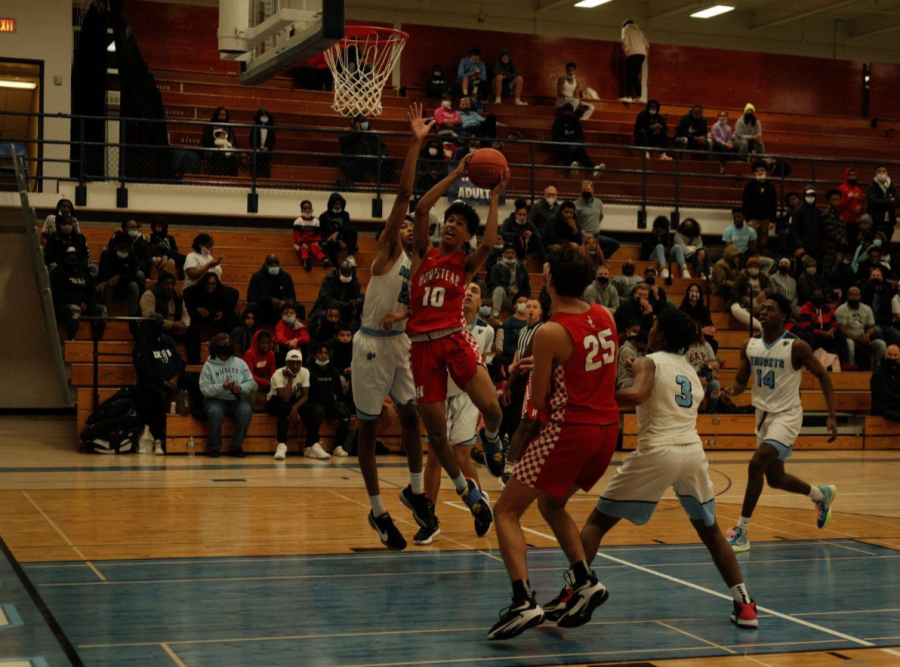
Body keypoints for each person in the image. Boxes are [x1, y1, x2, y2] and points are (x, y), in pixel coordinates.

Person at [557, 309, 758, 630]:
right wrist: (644, 372)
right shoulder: (689, 370)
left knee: (596, 523)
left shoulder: (649, 361)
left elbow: (636, 395)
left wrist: (594, 395)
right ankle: (745, 604)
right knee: (711, 533)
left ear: (660, 335)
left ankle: (571, 592)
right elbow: (700, 401)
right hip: (692, 453)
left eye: (653, 326)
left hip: (657, 451)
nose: (649, 330)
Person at [488, 247, 619, 640]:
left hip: (571, 429)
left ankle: (522, 599)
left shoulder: (549, 331)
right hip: (607, 429)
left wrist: (528, 371)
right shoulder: (607, 315)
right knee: (550, 503)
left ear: (549, 282)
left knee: (506, 512)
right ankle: (585, 580)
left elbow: (541, 400)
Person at [407, 151, 508, 533]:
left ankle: (493, 439)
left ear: (466, 235)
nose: (451, 224)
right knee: (436, 438)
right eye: (449, 219)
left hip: (453, 339)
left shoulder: (464, 264)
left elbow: (489, 243)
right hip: (422, 349)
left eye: (459, 223)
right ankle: (469, 494)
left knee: (494, 410)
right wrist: (457, 175)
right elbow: (420, 208)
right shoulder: (422, 254)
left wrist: (495, 196)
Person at [352, 104, 435, 549]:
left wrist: (406, 316)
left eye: (410, 225)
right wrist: (415, 144)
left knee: (410, 416)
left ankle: (417, 492)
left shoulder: (422, 262)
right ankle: (378, 510)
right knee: (368, 428)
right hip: (369, 346)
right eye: (400, 223)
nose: (406, 225)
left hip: (400, 343)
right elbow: (405, 196)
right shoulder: (386, 253)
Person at [725, 294, 838, 552]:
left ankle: (741, 531)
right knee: (775, 478)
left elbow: (823, 375)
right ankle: (821, 495)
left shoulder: (796, 346)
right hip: (763, 416)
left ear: (783, 316)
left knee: (756, 464)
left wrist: (832, 414)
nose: (763, 312)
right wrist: (731, 390)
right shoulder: (749, 345)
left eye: (770, 308)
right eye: (762, 307)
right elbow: (742, 381)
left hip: (787, 415)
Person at [418, 283, 496, 544]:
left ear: (481, 300)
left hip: (466, 396)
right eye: (464, 291)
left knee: (462, 457)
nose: (468, 294)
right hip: (439, 394)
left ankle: (480, 509)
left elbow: (482, 365)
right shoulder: (444, 323)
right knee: (434, 458)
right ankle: (429, 519)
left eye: (474, 290)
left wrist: (484, 404)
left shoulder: (487, 330)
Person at [132, 314, 187, 456]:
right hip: (152, 384)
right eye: (155, 324)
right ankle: (158, 439)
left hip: (172, 381)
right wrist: (164, 382)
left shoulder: (168, 340)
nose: (158, 326)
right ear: (148, 325)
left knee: (194, 380)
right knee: (156, 397)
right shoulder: (142, 342)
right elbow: (144, 369)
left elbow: (180, 361)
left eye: (160, 324)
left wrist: (175, 378)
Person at [199, 333, 255, 458]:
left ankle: (236, 447)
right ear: (215, 346)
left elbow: (250, 382)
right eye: (221, 344)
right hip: (215, 399)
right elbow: (204, 388)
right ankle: (214, 447)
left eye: (227, 344)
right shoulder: (208, 365)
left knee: (246, 411)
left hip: (236, 399)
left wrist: (240, 388)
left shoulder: (240, 363)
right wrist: (221, 387)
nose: (224, 346)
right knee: (215, 412)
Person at [302, 342, 352, 459]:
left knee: (345, 412)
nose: (323, 356)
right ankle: (312, 444)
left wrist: (336, 397)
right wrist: (326, 397)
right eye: (320, 353)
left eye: (326, 353)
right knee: (317, 412)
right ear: (315, 355)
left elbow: (339, 393)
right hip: (313, 403)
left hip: (329, 404)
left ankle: (338, 446)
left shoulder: (334, 371)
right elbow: (306, 395)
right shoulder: (308, 371)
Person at [140, 271, 200, 363]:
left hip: (174, 329)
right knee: (155, 329)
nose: (169, 287)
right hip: (156, 328)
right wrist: (172, 325)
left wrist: (184, 325)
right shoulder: (150, 294)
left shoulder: (178, 297)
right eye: (166, 284)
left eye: (172, 284)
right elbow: (149, 318)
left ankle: (194, 364)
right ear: (159, 285)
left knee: (194, 328)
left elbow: (185, 314)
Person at [50, 247, 106, 341]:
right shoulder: (58, 272)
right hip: (65, 306)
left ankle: (97, 342)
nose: (72, 258)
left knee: (102, 310)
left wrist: (88, 304)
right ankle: (70, 341)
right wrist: (78, 303)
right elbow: (59, 294)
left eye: (74, 256)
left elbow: (92, 291)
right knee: (75, 310)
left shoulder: (83, 272)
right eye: (70, 256)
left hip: (85, 305)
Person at [266, 350, 310, 460]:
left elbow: (305, 395)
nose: (295, 366)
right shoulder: (278, 374)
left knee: (311, 409)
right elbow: (284, 398)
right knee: (284, 409)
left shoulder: (305, 372)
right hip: (274, 400)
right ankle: (282, 444)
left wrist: (295, 407)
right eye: (292, 362)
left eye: (298, 363)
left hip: (292, 401)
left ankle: (312, 444)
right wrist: (291, 377)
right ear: (287, 363)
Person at [797, 289, 851, 366]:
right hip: (813, 336)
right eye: (815, 295)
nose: (817, 297)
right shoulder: (806, 307)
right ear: (811, 297)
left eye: (819, 295)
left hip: (827, 336)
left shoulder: (829, 309)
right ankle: (808, 364)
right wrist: (822, 333)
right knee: (808, 335)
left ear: (823, 297)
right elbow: (805, 327)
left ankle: (844, 363)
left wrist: (831, 331)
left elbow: (834, 324)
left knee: (840, 335)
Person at [836, 286, 886, 370]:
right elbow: (842, 330)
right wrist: (857, 339)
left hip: (864, 339)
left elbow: (872, 327)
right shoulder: (841, 310)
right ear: (847, 296)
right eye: (851, 295)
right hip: (848, 338)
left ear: (860, 296)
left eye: (856, 295)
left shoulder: (867, 308)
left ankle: (877, 371)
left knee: (881, 344)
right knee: (850, 343)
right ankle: (852, 369)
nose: (854, 297)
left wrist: (866, 336)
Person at [338, 115, 393, 186]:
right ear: (356, 123)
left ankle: (382, 185)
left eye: (365, 122)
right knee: (350, 167)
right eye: (362, 122)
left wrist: (383, 155)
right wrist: (358, 133)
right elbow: (343, 141)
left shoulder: (372, 133)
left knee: (390, 164)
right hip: (355, 161)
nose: (364, 124)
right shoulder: (349, 132)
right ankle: (365, 183)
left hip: (371, 160)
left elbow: (384, 147)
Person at [98, 232, 142, 316]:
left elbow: (133, 275)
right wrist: (112, 280)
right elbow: (102, 274)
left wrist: (119, 278)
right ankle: (104, 316)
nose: (124, 251)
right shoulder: (106, 254)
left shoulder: (132, 256)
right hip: (108, 282)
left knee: (134, 286)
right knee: (105, 286)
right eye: (121, 248)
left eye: (126, 248)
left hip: (125, 284)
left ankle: (133, 317)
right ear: (116, 247)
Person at [184, 271, 238, 338]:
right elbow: (185, 305)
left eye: (213, 284)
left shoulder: (220, 290)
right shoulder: (193, 290)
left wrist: (223, 312)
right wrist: (197, 308)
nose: (210, 286)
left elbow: (231, 303)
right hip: (200, 316)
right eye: (208, 283)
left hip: (216, 315)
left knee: (231, 314)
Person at [551, 105, 602, 175]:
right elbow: (555, 136)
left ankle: (593, 169)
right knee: (563, 150)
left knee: (581, 151)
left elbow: (581, 136)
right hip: (562, 146)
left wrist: (576, 144)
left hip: (574, 147)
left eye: (570, 112)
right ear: (563, 112)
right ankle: (571, 166)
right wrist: (568, 144)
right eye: (566, 112)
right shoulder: (558, 121)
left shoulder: (575, 121)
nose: (568, 114)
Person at [247, 255, 296, 325]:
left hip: (281, 309)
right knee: (252, 305)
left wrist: (286, 303)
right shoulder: (257, 276)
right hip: (263, 308)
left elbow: (292, 296)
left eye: (276, 264)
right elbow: (251, 297)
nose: (274, 266)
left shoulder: (286, 277)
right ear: (266, 265)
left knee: (299, 307)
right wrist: (270, 300)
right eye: (271, 264)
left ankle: (296, 330)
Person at [575, 181, 619, 259]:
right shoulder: (576, 204)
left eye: (588, 190)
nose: (586, 192)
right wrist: (584, 233)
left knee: (614, 244)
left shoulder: (598, 203)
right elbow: (574, 222)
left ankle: (599, 259)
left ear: (592, 190)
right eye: (584, 190)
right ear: (581, 191)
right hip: (583, 235)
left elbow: (600, 216)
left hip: (596, 235)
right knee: (583, 248)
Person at [742, 161, 778, 255]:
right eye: (757, 171)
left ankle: (762, 258)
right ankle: (753, 259)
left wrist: (772, 220)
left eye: (762, 170)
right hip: (753, 219)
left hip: (765, 219)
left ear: (766, 172)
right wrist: (748, 219)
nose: (760, 172)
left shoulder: (770, 187)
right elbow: (745, 203)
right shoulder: (749, 186)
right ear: (754, 173)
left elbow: (773, 205)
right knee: (753, 242)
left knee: (763, 243)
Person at [107, 218, 154, 288]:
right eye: (131, 227)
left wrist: (137, 266)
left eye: (136, 227)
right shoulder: (117, 239)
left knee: (140, 275)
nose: (134, 229)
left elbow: (146, 258)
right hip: (118, 267)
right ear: (125, 228)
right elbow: (110, 253)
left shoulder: (142, 241)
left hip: (136, 269)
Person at [311, 260, 362, 324]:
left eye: (348, 272)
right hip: (327, 308)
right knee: (324, 317)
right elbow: (325, 299)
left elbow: (358, 297)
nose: (346, 274)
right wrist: (345, 305)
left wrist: (357, 302)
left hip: (347, 312)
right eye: (344, 272)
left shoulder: (355, 283)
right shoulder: (329, 280)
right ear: (339, 271)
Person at [489, 242, 531, 319]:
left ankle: (527, 322)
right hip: (505, 298)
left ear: (515, 254)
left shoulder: (521, 267)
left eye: (512, 253)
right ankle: (495, 315)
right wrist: (510, 291)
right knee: (498, 289)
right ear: (503, 254)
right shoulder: (496, 267)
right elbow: (494, 285)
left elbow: (527, 288)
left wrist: (520, 295)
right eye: (507, 253)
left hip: (519, 299)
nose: (510, 255)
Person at [500, 200, 547, 265]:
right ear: (516, 215)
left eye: (524, 215)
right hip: (514, 245)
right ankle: (510, 262)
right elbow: (502, 232)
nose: (522, 217)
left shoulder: (528, 222)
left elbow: (538, 235)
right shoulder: (509, 220)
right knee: (509, 238)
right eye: (520, 214)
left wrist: (531, 234)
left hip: (526, 246)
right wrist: (517, 235)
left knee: (537, 241)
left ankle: (545, 263)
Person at [862, 268, 900, 346]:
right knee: (878, 331)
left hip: (882, 322)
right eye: (874, 275)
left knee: (897, 335)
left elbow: (888, 311)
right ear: (870, 278)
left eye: (878, 276)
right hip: (869, 323)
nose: (876, 277)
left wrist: (885, 321)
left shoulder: (886, 291)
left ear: (882, 278)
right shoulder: (863, 290)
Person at [319, 193, 358, 268]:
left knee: (353, 228)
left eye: (339, 204)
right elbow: (325, 232)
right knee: (331, 240)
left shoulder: (345, 214)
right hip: (330, 241)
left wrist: (337, 233)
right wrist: (339, 240)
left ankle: (350, 257)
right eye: (335, 204)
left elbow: (346, 227)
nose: (337, 206)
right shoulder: (324, 216)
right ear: (331, 204)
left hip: (343, 240)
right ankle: (335, 265)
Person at [729, 256, 768, 331]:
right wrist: (744, 300)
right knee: (735, 309)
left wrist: (764, 291)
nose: (753, 268)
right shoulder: (741, 277)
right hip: (744, 303)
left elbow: (770, 288)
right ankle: (760, 326)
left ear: (759, 268)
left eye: (755, 266)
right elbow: (734, 292)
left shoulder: (763, 277)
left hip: (759, 303)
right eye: (751, 266)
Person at [680, 283, 719, 353]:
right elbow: (683, 328)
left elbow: (709, 324)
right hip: (687, 338)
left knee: (714, 343)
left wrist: (712, 329)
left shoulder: (704, 309)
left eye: (697, 291)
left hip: (701, 338)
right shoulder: (682, 309)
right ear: (688, 293)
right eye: (691, 291)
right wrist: (701, 331)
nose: (694, 293)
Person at [293, 200, 329, 271]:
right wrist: (302, 243)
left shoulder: (316, 221)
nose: (307, 210)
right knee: (303, 251)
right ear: (301, 211)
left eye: (309, 208)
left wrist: (317, 242)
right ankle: (306, 262)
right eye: (305, 209)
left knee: (316, 249)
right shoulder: (298, 221)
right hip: (300, 243)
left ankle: (324, 260)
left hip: (312, 242)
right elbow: (296, 235)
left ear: (312, 209)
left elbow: (318, 234)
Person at [790, 186, 822, 264]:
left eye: (812, 195)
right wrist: (799, 246)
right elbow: (794, 229)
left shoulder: (817, 211)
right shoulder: (798, 210)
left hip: (814, 247)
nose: (810, 198)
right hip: (803, 247)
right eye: (808, 195)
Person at [202, 107, 238, 176]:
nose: (221, 117)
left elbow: (234, 142)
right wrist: (217, 146)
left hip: (227, 150)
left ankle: (231, 180)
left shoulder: (229, 126)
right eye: (219, 115)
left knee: (233, 157)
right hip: (214, 150)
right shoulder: (210, 126)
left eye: (223, 115)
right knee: (219, 155)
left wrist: (230, 147)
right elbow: (206, 141)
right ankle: (217, 179)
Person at [242, 330, 276, 406]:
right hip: (247, 380)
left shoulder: (271, 354)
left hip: (262, 381)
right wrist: (264, 383)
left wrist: (274, 383)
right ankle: (251, 411)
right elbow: (248, 375)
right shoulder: (249, 354)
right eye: (262, 343)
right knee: (253, 385)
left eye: (268, 343)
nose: (265, 346)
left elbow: (272, 373)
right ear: (256, 343)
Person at [866, 164, 900, 238]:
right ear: (876, 173)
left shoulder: (891, 186)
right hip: (876, 221)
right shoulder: (872, 186)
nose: (881, 173)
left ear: (887, 172)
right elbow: (873, 201)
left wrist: (883, 203)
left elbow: (898, 201)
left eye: (883, 171)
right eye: (879, 171)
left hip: (889, 221)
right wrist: (888, 201)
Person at [620, 20, 648, 102]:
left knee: (629, 75)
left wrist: (626, 50)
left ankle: (628, 96)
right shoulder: (640, 32)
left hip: (632, 54)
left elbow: (624, 40)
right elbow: (647, 45)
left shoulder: (625, 29)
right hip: (642, 54)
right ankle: (639, 96)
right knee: (635, 75)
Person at [871, 345, 900, 421]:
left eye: (895, 355)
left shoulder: (898, 370)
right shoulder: (879, 372)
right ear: (885, 355)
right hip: (883, 407)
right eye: (890, 354)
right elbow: (885, 394)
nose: (892, 357)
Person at [838, 167, 865, 243]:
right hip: (845, 221)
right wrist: (850, 198)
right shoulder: (841, 188)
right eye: (850, 175)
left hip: (856, 221)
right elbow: (839, 204)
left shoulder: (858, 190)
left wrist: (860, 207)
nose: (852, 177)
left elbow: (862, 203)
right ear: (846, 176)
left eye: (854, 175)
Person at [501, 295, 530, 362]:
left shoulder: (532, 322)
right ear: (515, 305)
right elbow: (505, 346)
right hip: (513, 359)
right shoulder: (509, 322)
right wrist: (519, 354)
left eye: (525, 302)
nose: (523, 304)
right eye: (520, 302)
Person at [248, 108, 276, 178]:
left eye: (265, 116)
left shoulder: (270, 128)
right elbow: (251, 139)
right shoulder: (255, 127)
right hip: (257, 152)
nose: (264, 117)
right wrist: (255, 148)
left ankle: (266, 181)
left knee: (266, 166)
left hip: (266, 152)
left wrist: (268, 148)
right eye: (262, 115)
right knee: (256, 166)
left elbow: (273, 140)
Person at [615, 323, 643, 389]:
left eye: (638, 332)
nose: (636, 334)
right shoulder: (626, 349)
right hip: (625, 381)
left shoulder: (636, 350)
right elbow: (630, 370)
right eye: (634, 331)